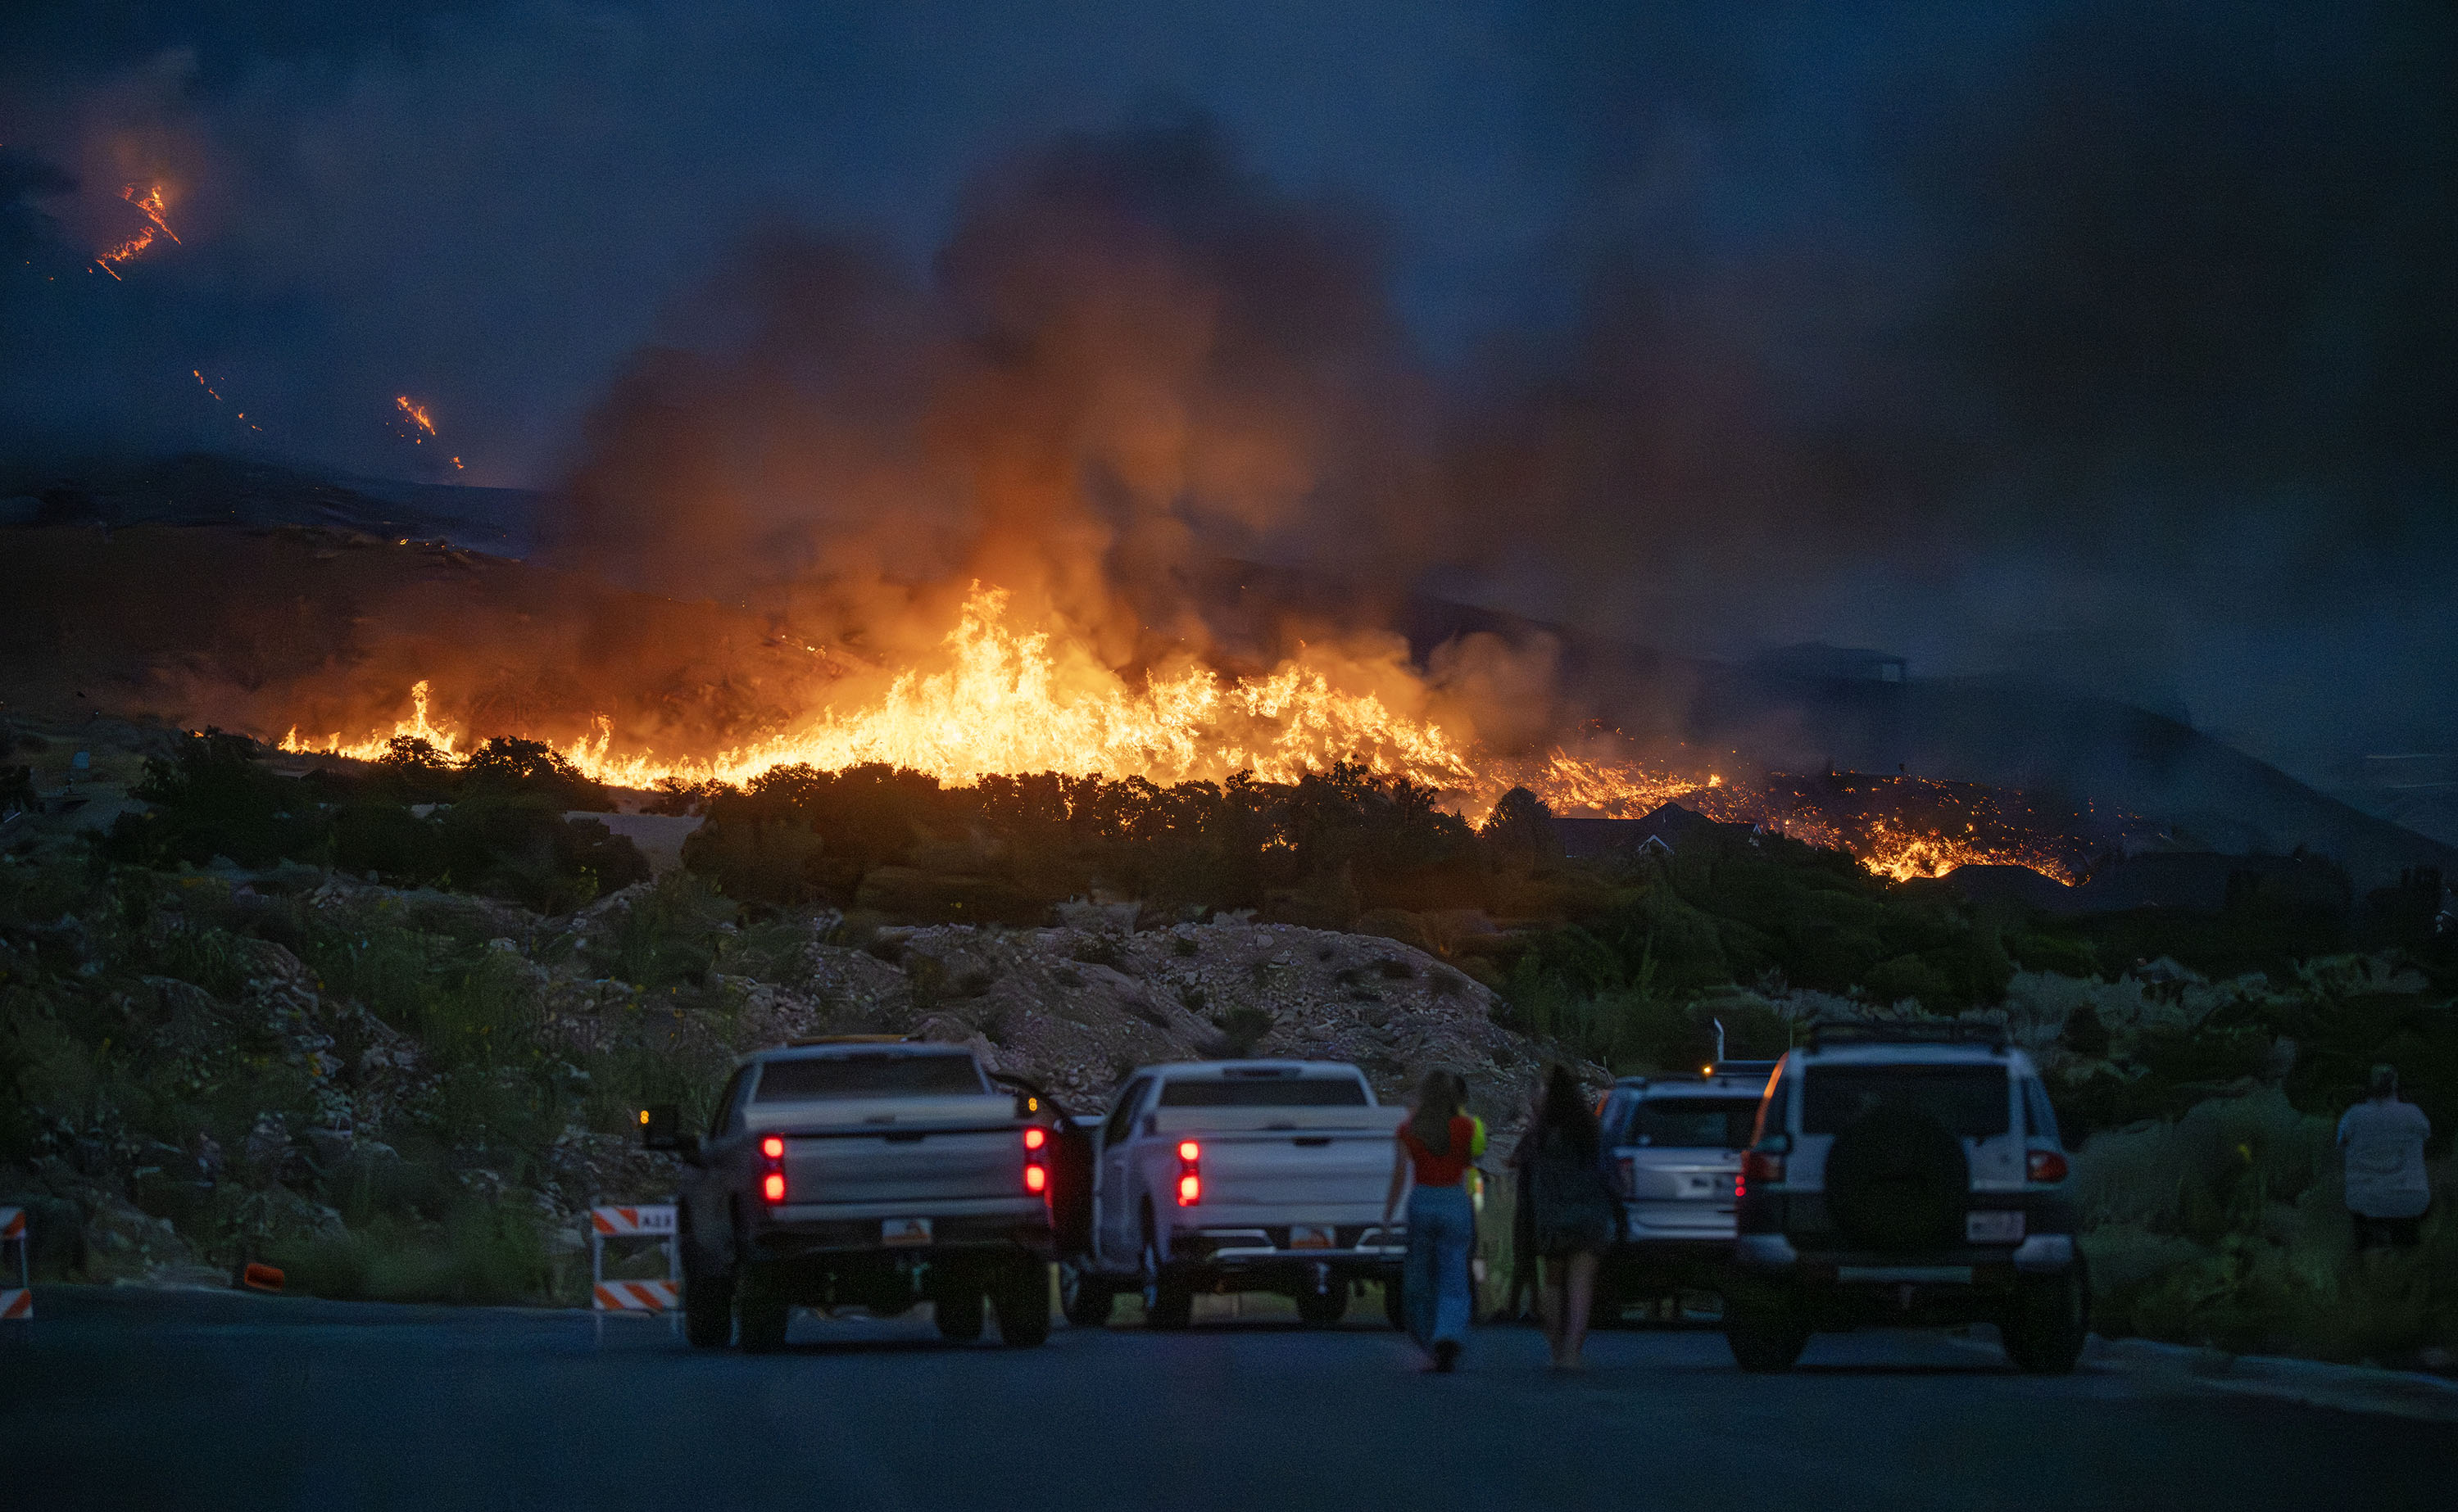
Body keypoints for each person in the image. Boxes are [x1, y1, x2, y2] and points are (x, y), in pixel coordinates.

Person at [1516, 1063, 1618, 1370]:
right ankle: (1574, 1350)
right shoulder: (1591, 1130)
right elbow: (1609, 1173)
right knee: (1581, 1287)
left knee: (1554, 1282)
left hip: (1552, 1218)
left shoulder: (1540, 1136)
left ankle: (1556, 1348)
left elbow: (1525, 1173)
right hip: (1589, 1215)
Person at [1382, 1068, 1485, 1371]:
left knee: (1420, 1277)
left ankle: (1428, 1336)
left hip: (1423, 1201)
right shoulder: (1466, 1127)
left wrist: (1388, 1216)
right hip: (1455, 1201)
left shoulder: (1408, 1130)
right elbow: (1469, 1164)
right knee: (1454, 1273)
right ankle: (1448, 1331)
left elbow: (1400, 1175)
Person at [2339, 1065, 2432, 1250]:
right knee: (2407, 1250)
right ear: (2397, 1087)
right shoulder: (2413, 1113)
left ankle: (2367, 1261)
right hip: (2409, 1202)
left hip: (2365, 1203)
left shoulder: (2353, 1115)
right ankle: (2407, 1260)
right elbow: (2426, 1135)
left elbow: (2341, 1143)